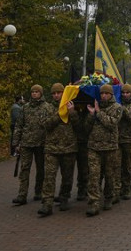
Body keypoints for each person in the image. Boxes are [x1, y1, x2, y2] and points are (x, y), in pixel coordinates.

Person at [38, 83, 78, 216]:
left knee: (67, 177)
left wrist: (71, 112)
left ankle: (64, 198)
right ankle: (47, 203)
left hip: (69, 147)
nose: (56, 95)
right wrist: (60, 113)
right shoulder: (47, 108)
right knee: (49, 177)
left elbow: (79, 126)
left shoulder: (72, 106)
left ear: (63, 93)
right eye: (54, 93)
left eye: (59, 93)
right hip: (52, 148)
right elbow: (45, 125)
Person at [85, 84, 122, 217]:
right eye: (102, 94)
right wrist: (91, 115)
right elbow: (86, 127)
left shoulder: (117, 108)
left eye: (106, 94)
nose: (104, 96)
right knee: (93, 176)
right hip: (94, 147)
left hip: (110, 147)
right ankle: (94, 203)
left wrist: (98, 112)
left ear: (111, 94)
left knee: (109, 175)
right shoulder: (95, 106)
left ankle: (108, 197)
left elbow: (111, 124)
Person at [12, 85, 52, 205]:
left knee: (41, 169)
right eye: (33, 92)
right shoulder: (25, 108)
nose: (34, 94)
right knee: (24, 169)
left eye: (37, 92)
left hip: (41, 143)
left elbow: (50, 126)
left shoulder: (47, 107)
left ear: (41, 93)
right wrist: (16, 143)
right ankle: (22, 194)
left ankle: (38, 192)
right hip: (26, 143)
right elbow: (19, 125)